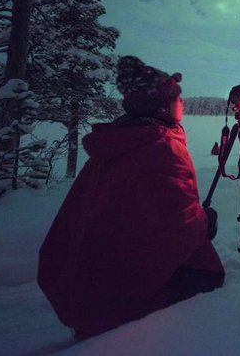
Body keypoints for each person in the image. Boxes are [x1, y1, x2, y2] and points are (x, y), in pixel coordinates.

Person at [38, 55, 225, 339]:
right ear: (162, 106)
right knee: (209, 275)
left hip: (83, 296)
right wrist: (205, 222)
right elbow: (180, 229)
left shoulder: (119, 140)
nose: (182, 103)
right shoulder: (161, 148)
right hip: (115, 302)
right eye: (177, 98)